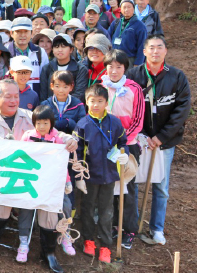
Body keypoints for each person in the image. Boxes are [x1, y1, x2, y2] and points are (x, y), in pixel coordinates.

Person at [0, 79, 77, 272]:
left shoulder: (32, 117)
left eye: (16, 96)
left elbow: (56, 133)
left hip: (35, 178)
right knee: (2, 196)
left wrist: (69, 139)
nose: (14, 100)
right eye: (8, 96)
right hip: (5, 178)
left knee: (49, 200)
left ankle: (48, 252)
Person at [126, 35, 191, 246]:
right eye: (151, 48)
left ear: (165, 51)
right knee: (133, 182)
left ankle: (157, 229)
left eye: (159, 48)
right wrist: (140, 135)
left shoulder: (177, 77)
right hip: (137, 139)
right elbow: (127, 107)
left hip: (165, 142)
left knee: (161, 186)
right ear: (144, 51)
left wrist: (161, 138)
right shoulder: (133, 75)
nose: (155, 51)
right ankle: (131, 227)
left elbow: (182, 110)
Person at [74, 84, 129, 264]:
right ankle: (88, 240)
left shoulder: (115, 122)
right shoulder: (82, 125)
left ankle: (106, 246)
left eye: (100, 101)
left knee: (106, 211)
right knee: (88, 208)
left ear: (106, 102)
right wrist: (80, 177)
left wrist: (124, 154)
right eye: (92, 101)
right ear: (86, 102)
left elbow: (123, 142)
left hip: (109, 175)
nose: (96, 105)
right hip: (90, 176)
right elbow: (78, 153)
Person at [19, 104, 76, 266]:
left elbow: (63, 156)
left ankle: (64, 234)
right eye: (38, 123)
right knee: (26, 208)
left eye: (45, 123)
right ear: (34, 123)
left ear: (51, 123)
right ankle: (23, 242)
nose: (42, 127)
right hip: (31, 180)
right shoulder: (27, 136)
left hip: (53, 181)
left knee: (65, 204)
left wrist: (67, 181)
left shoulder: (56, 137)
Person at [100, 49, 145, 249]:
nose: (114, 71)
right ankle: (109, 225)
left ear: (125, 68)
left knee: (128, 188)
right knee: (108, 187)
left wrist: (123, 140)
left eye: (119, 66)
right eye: (110, 66)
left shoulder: (134, 88)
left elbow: (138, 119)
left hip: (128, 145)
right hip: (104, 145)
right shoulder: (100, 86)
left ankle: (128, 229)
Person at [39, 34, 89, 101]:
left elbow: (79, 94)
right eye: (56, 47)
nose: (60, 50)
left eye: (63, 47)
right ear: (52, 50)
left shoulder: (80, 69)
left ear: (71, 49)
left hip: (73, 109)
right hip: (51, 109)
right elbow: (43, 94)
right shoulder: (47, 68)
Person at [6, 17, 49, 92]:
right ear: (11, 33)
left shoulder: (40, 52)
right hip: (11, 98)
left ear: (32, 33)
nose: (22, 35)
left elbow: (45, 79)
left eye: (26, 31)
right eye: (18, 31)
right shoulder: (5, 52)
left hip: (35, 99)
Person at [41, 70, 87, 134]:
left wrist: (69, 123)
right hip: (50, 141)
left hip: (72, 141)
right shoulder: (45, 105)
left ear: (71, 87)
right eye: (57, 86)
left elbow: (82, 127)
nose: (61, 90)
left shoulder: (78, 105)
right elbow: (39, 125)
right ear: (52, 86)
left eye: (65, 87)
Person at [108, 0, 148, 66]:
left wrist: (138, 63)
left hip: (130, 60)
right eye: (124, 7)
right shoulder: (116, 23)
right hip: (114, 58)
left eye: (129, 7)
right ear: (120, 9)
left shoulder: (140, 26)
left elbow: (142, 46)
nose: (126, 9)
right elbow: (107, 36)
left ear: (134, 8)